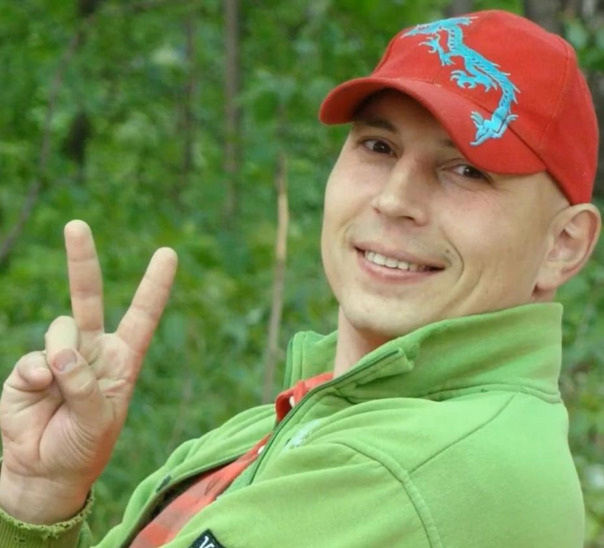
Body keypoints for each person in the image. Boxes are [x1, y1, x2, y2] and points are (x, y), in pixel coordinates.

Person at [0, 9, 600, 548]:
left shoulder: (410, 471)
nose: (395, 199)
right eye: (378, 145)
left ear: (564, 245)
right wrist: (39, 502)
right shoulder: (287, 422)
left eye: (467, 170)